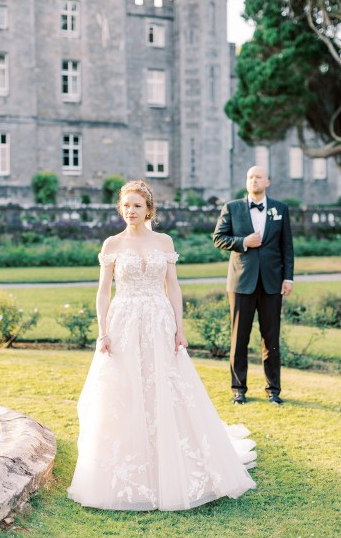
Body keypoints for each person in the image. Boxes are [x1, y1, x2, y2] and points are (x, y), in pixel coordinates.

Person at [67, 180, 256, 511]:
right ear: (120, 209)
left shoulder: (163, 241)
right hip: (123, 322)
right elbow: (102, 291)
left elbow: (173, 287)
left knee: (166, 386)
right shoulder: (111, 243)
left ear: (148, 209)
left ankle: (175, 461)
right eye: (126, 205)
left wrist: (179, 328)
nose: (131, 211)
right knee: (124, 389)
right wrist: (103, 330)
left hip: (158, 320)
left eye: (137, 205)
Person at [213, 167, 294, 406]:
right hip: (241, 282)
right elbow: (218, 237)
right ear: (246, 181)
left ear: (267, 181)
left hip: (272, 283)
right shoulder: (232, 207)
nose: (254, 180)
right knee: (239, 338)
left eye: (258, 177)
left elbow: (287, 247)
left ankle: (273, 390)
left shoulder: (280, 209)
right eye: (250, 177)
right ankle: (239, 388)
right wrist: (243, 242)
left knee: (271, 339)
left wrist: (288, 278)